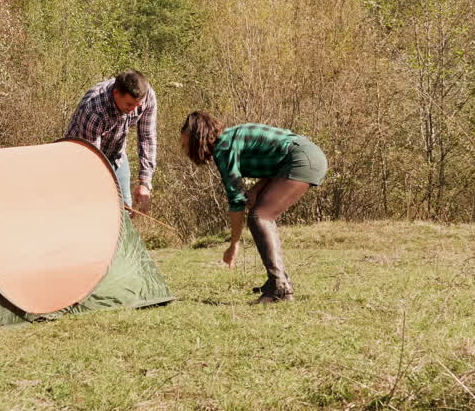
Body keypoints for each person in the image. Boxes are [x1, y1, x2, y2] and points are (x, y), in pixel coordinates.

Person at [180, 112, 328, 303]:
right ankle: (277, 281)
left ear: (196, 137)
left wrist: (234, 244)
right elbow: (277, 158)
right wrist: (257, 189)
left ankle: (279, 288)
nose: (184, 149)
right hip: (304, 155)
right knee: (261, 213)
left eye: (185, 145)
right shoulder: (230, 138)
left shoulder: (223, 148)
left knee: (260, 217)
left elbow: (236, 201)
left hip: (302, 158)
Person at [65, 70, 158, 211]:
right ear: (116, 94)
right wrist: (109, 196)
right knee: (92, 209)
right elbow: (91, 162)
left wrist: (145, 183)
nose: (133, 111)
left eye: (137, 106)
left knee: (124, 212)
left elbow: (147, 137)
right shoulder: (94, 110)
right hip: (80, 159)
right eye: (128, 105)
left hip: (116, 155)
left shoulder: (147, 96)